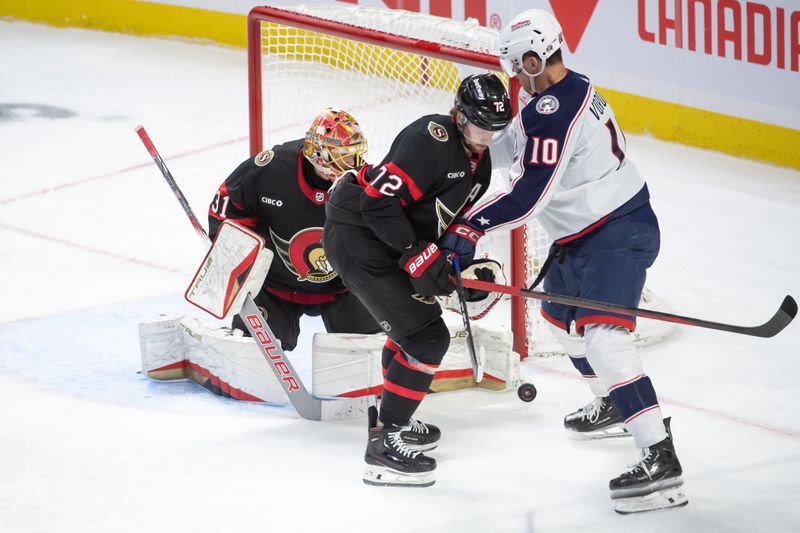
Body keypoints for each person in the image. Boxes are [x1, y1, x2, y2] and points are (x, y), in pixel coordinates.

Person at [439, 10, 687, 513]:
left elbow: (529, 196)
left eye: (516, 64)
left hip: (617, 231)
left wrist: (471, 226)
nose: (513, 74)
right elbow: (515, 146)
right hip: (584, 233)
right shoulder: (554, 92)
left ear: (534, 57)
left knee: (605, 337)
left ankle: (660, 457)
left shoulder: (556, 110)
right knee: (560, 322)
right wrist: (460, 150)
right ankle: (616, 405)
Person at [322, 74, 512, 487]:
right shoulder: (429, 140)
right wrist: (416, 253)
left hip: (385, 239)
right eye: (479, 127)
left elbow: (439, 223)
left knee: (414, 331)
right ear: (459, 117)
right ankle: (384, 446)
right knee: (427, 339)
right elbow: (377, 203)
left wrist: (451, 264)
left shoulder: (479, 165)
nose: (486, 138)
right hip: (357, 234)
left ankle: (390, 416)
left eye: (494, 131)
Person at [207, 108, 381, 351]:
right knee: (252, 356)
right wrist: (232, 253)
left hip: (343, 288)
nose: (354, 164)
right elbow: (228, 202)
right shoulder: (272, 168)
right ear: (320, 154)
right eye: (344, 156)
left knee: (372, 354)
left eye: (354, 155)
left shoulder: (363, 182)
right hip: (274, 286)